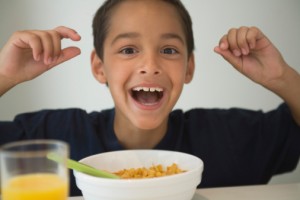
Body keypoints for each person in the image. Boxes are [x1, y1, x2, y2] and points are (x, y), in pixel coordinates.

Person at [0, 0, 299, 196]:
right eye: (129, 50)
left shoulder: (229, 138)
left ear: (189, 68)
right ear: (99, 67)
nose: (151, 65)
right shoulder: (55, 135)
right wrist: (3, 76)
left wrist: (282, 77)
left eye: (168, 50)